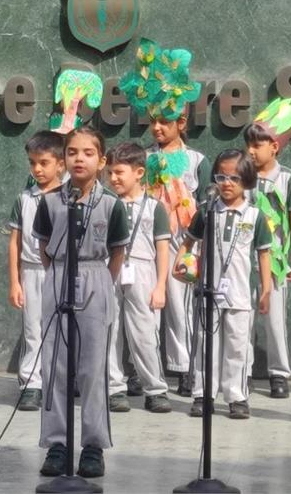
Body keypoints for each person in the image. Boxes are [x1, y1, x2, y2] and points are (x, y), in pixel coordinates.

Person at [33, 126, 129, 478]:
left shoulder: (112, 204)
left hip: (95, 275)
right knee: (55, 365)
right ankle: (57, 444)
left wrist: (100, 281)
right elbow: (44, 247)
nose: (79, 159)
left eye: (88, 153)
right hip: (59, 275)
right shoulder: (49, 202)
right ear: (63, 159)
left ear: (101, 161)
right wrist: (59, 275)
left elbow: (117, 252)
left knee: (92, 368)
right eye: (72, 152)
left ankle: (93, 445)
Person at [120, 38, 212, 396]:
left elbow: (204, 204)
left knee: (180, 306)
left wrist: (194, 244)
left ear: (181, 122)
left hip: (182, 239)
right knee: (145, 305)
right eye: (153, 121)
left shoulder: (197, 160)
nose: (157, 127)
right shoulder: (142, 159)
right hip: (146, 239)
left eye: (165, 121)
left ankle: (184, 367)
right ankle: (141, 368)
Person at [173, 149, 272, 419]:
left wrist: (266, 289)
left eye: (234, 178)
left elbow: (264, 254)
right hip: (208, 291)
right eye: (221, 177)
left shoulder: (254, 216)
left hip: (239, 294)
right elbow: (188, 242)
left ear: (247, 180)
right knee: (205, 345)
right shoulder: (206, 211)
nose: (227, 183)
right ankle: (202, 394)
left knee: (237, 347)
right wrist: (180, 263)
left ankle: (236, 397)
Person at [244, 98, 291, 398]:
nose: (251, 151)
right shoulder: (243, 176)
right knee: (243, 318)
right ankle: (242, 371)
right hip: (245, 260)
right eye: (249, 145)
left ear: (274, 147)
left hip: (276, 261)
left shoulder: (286, 178)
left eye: (257, 145)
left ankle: (279, 373)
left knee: (275, 319)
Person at [106, 142, 172, 413]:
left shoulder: (155, 207)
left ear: (139, 172)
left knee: (145, 333)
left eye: (119, 172)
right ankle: (114, 388)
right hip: (109, 268)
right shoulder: (106, 204)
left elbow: (162, 248)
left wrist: (160, 285)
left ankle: (154, 389)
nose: (113, 178)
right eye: (110, 172)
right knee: (109, 330)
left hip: (142, 270)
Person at [8, 131, 65, 411]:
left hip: (61, 270)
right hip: (31, 270)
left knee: (62, 329)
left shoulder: (70, 197)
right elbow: (14, 241)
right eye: (33, 163)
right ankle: (31, 384)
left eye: (44, 162)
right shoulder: (24, 198)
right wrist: (15, 281)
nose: (37, 169)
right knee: (33, 329)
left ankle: (60, 382)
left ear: (60, 164)